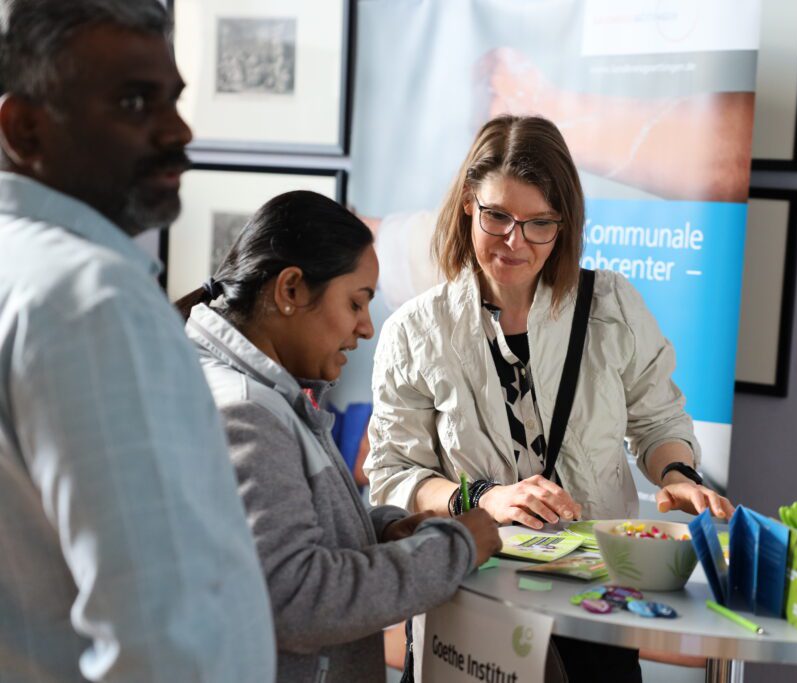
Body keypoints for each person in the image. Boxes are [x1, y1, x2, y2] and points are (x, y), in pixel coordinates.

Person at [365, 115, 734, 681]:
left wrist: (678, 476)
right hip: (470, 605)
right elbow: (395, 474)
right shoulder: (416, 331)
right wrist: (485, 498)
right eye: (498, 217)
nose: (515, 241)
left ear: (564, 225)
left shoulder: (611, 305)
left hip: (594, 610)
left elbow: (658, 420)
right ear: (468, 203)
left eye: (539, 223)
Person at [0, 1, 275, 681]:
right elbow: (161, 645)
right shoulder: (90, 298)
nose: (177, 129)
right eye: (133, 101)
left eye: (174, 99)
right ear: (24, 127)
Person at [174, 190, 502, 683]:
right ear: (289, 291)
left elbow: (277, 543)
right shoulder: (245, 411)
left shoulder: (262, 394)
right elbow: (298, 597)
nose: (366, 328)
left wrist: (385, 529)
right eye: (356, 303)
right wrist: (451, 550)